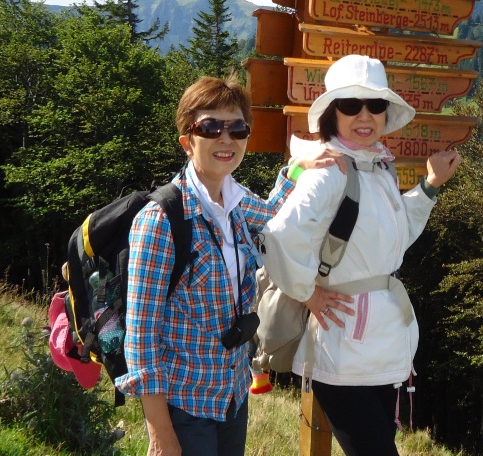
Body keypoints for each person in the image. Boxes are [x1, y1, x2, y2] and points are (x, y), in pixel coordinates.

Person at [262, 54, 461, 456]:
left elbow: (393, 239)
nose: (365, 115)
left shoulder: (378, 168)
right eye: (351, 105)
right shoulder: (330, 169)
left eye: (375, 105)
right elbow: (279, 236)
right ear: (332, 114)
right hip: (342, 350)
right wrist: (307, 293)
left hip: (380, 344)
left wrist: (429, 186)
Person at [114, 75, 314, 456]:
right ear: (187, 142)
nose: (226, 139)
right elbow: (140, 336)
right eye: (210, 127)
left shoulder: (236, 202)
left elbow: (274, 215)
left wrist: (300, 167)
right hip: (185, 406)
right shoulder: (161, 220)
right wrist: (159, 432)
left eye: (237, 129)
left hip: (232, 397)